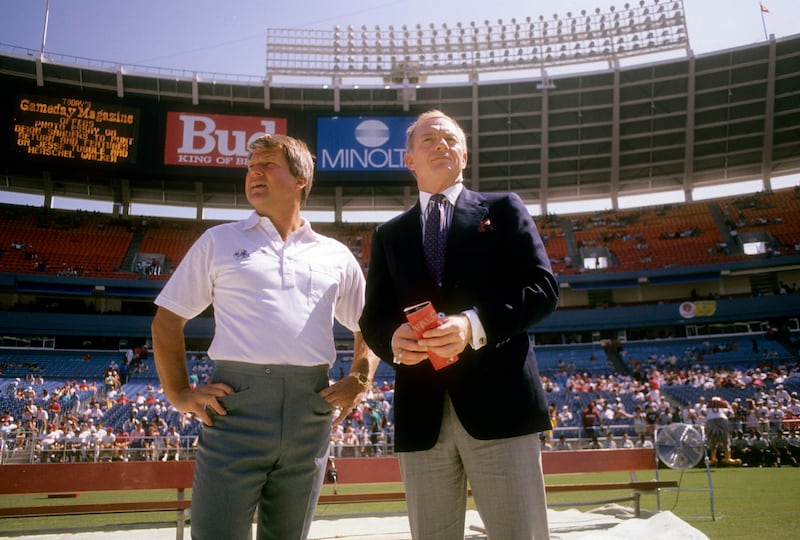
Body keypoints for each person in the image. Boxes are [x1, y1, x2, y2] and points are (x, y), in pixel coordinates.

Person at [151, 133, 379, 540]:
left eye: (268, 164)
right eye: (251, 166)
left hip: (310, 410)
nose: (254, 171)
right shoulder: (219, 240)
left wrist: (359, 379)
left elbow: (370, 326)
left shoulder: (335, 253)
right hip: (235, 406)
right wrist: (178, 392)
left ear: (300, 180)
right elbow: (167, 320)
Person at [359, 110, 559, 540]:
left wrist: (474, 324)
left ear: (464, 154)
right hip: (421, 414)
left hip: (502, 406)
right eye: (428, 139)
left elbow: (544, 288)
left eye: (450, 138)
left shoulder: (504, 209)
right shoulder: (389, 235)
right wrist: (392, 338)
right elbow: (372, 319)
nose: (441, 144)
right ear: (409, 159)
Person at [705, 396, 741, 466]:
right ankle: (727, 457)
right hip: (722, 420)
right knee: (725, 440)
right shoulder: (724, 407)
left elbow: (703, 413)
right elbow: (732, 414)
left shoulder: (708, 408)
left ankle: (713, 458)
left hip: (710, 421)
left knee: (712, 441)